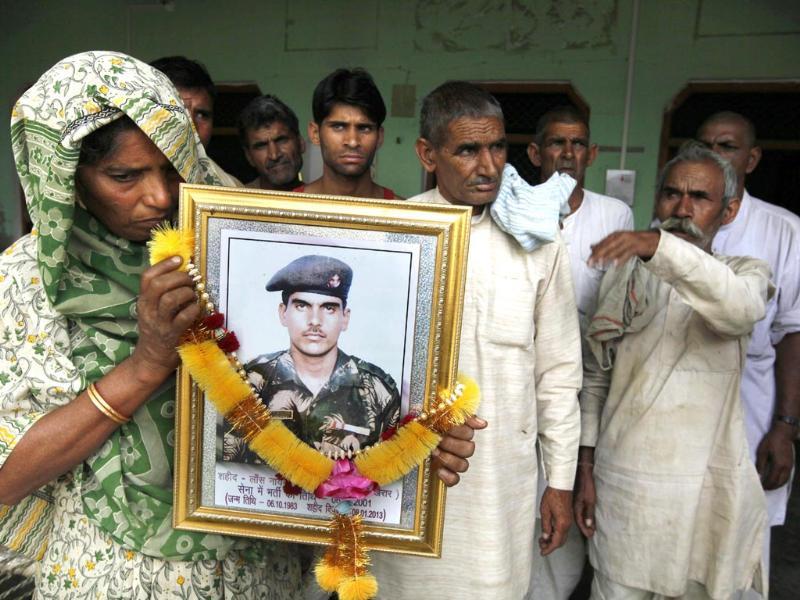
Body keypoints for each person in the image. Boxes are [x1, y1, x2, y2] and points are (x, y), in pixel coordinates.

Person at [2, 50, 300, 599]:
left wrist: (410, 433)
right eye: (124, 176)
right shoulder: (26, 283)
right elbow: (8, 476)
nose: (160, 197)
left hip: (251, 566)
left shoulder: (238, 246)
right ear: (67, 178)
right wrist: (147, 363)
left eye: (170, 166)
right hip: (113, 573)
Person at [369, 81, 581, 599]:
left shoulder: (540, 241)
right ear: (428, 153)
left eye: (497, 147)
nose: (489, 166)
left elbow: (558, 373)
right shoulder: (394, 234)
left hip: (502, 481)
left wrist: (560, 481)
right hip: (410, 475)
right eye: (467, 150)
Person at [575, 141, 772, 599]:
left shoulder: (745, 273)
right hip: (626, 485)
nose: (682, 208)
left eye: (699, 198)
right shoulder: (628, 273)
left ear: (728, 211)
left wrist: (658, 247)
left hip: (706, 489)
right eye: (671, 194)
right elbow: (597, 374)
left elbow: (739, 310)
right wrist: (585, 466)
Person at [526, 104, 634, 599]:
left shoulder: (615, 216)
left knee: (561, 514)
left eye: (576, 144)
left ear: (590, 153)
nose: (566, 154)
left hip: (581, 388)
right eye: (555, 143)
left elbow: (615, 316)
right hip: (519, 385)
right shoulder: (514, 210)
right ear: (534, 152)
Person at [697, 112, 800, 570]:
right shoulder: (673, 222)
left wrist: (784, 427)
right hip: (681, 410)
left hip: (752, 408)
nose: (712, 156)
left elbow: (794, 333)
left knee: (739, 548)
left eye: (726, 146)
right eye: (704, 146)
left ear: (752, 158)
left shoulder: (785, 230)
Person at [224, 255, 400, 462]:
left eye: (329, 308)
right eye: (302, 306)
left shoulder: (378, 389)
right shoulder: (250, 382)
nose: (315, 321)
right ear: (283, 313)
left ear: (345, 318)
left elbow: (393, 474)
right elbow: (229, 467)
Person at [297, 68, 401, 199]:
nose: (352, 141)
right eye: (338, 127)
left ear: (379, 136)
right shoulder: (286, 211)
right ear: (315, 133)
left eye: (364, 128)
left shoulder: (402, 214)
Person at [150, 55, 241, 188]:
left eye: (201, 115)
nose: (191, 127)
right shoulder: (114, 177)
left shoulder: (231, 191)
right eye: (176, 111)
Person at [237, 95, 305, 191]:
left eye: (281, 140)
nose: (274, 155)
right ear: (249, 156)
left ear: (301, 142)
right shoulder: (236, 202)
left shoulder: (323, 201)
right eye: (261, 146)